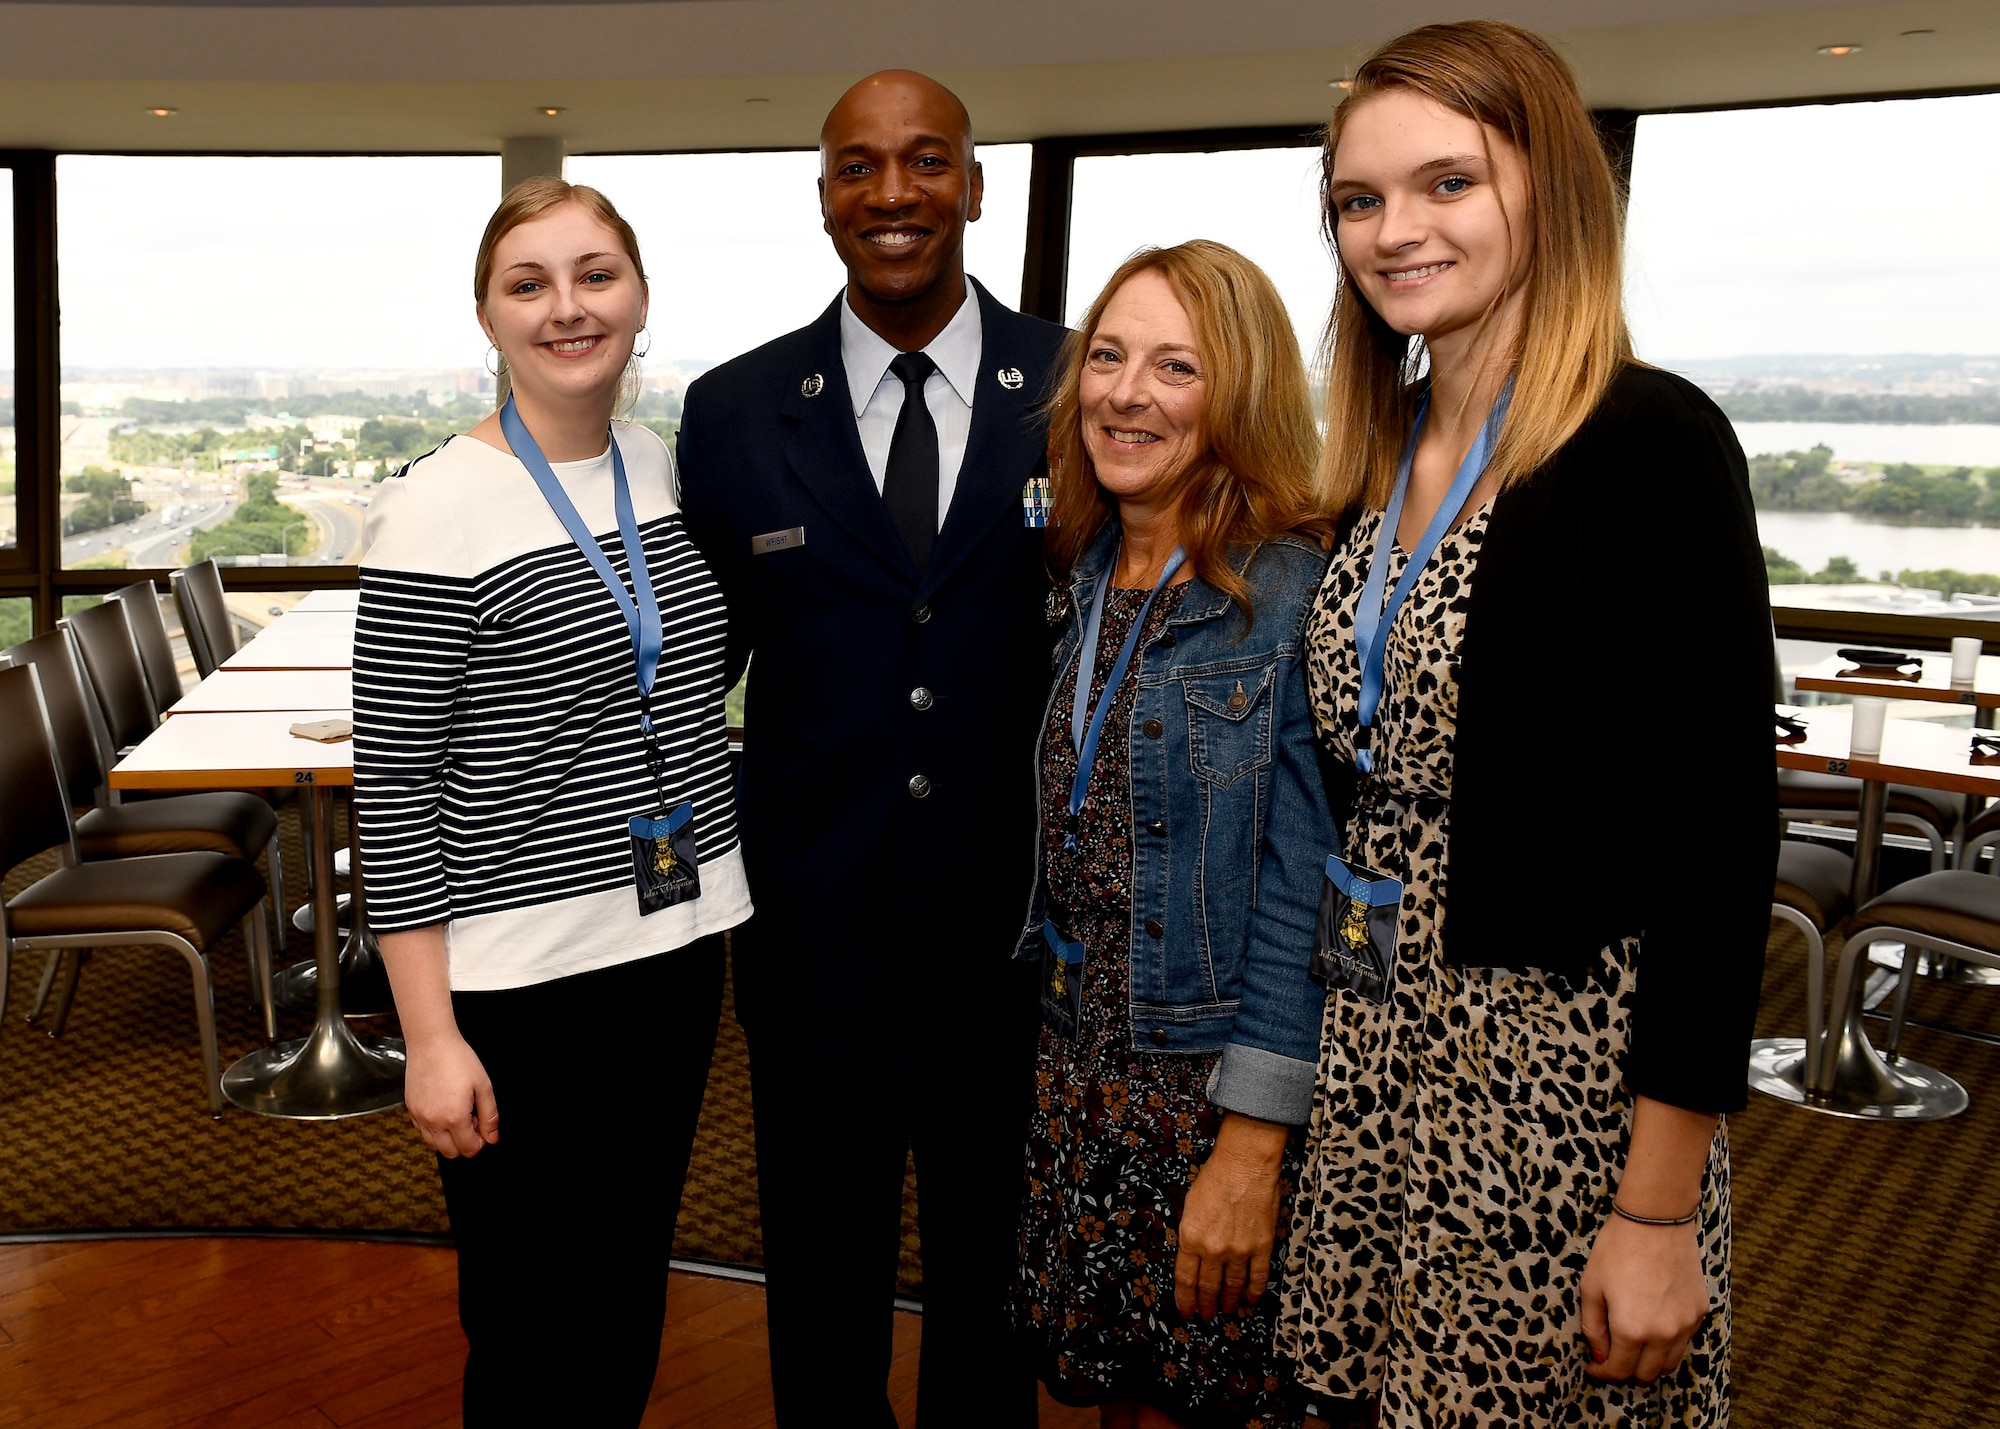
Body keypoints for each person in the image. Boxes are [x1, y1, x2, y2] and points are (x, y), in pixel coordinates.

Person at [1275, 21, 1774, 1428]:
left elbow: (1722, 844)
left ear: (1549, 189)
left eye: (1448, 184)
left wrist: (1658, 1210)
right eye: (1359, 201)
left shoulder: (1649, 442)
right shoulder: (1384, 443)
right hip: (1374, 1047)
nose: (1394, 231)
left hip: (1555, 1089)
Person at [674, 70, 1064, 1426]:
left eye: (925, 162)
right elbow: (685, 682)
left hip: (1014, 944)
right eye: (859, 167)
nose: (893, 194)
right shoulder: (730, 414)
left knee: (990, 1288)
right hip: (811, 939)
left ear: (972, 182)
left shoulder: (1076, 391)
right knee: (823, 1287)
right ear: (824, 196)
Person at [353, 177, 751, 1425]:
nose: (566, 307)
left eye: (594, 276)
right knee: (528, 1319)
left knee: (625, 1288)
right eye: (528, 283)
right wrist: (428, 1036)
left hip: (678, 947)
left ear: (639, 298)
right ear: (488, 317)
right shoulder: (431, 510)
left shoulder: (655, 463)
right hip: (519, 980)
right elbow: (397, 788)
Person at [1010, 241, 1335, 1429]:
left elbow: (1309, 898)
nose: (1124, 393)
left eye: (1173, 365)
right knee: (1115, 1401)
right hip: (1077, 1074)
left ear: (1237, 394)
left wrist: (1248, 1148)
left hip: (1202, 1094)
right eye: (1105, 357)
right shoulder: (1083, 571)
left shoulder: (1285, 592)